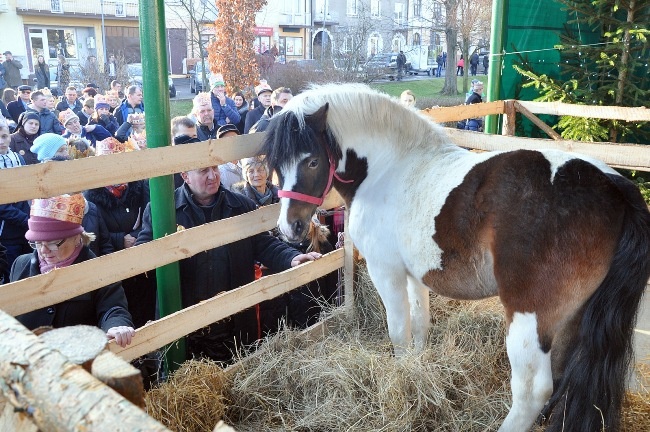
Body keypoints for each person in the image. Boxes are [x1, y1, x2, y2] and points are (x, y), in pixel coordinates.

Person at [135, 159, 321, 363]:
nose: (213, 175)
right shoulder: (162, 212)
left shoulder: (241, 205)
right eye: (203, 170)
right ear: (185, 177)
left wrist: (291, 257)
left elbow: (262, 243)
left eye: (215, 168)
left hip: (233, 322)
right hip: (186, 325)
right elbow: (143, 255)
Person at [11, 193, 135, 348]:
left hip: (77, 363)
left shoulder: (100, 271)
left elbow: (113, 309)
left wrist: (116, 326)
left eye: (53, 243)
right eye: (37, 242)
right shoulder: (20, 264)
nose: (44, 250)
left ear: (77, 238)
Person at [84, 137, 153, 328]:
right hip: (113, 264)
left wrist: (139, 236)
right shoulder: (90, 195)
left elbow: (151, 213)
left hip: (142, 260)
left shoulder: (140, 186)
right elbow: (91, 233)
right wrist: (119, 241)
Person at [0, 115, 29, 282]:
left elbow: (28, 189)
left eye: (4, 137)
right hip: (6, 231)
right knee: (13, 274)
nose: (1, 141)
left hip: (25, 226)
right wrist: (24, 218)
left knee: (27, 270)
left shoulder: (18, 158)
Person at [215, 124, 244, 190]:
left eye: (235, 140)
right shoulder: (220, 172)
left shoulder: (246, 163)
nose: (232, 144)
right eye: (227, 141)